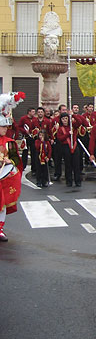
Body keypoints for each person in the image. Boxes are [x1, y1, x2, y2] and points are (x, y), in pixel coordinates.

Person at [0, 92, 25, 242]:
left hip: (4, 179)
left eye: (6, 126)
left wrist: (11, 161)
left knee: (2, 205)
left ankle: (0, 229)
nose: (5, 129)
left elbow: (16, 158)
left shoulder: (9, 142)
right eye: (3, 127)